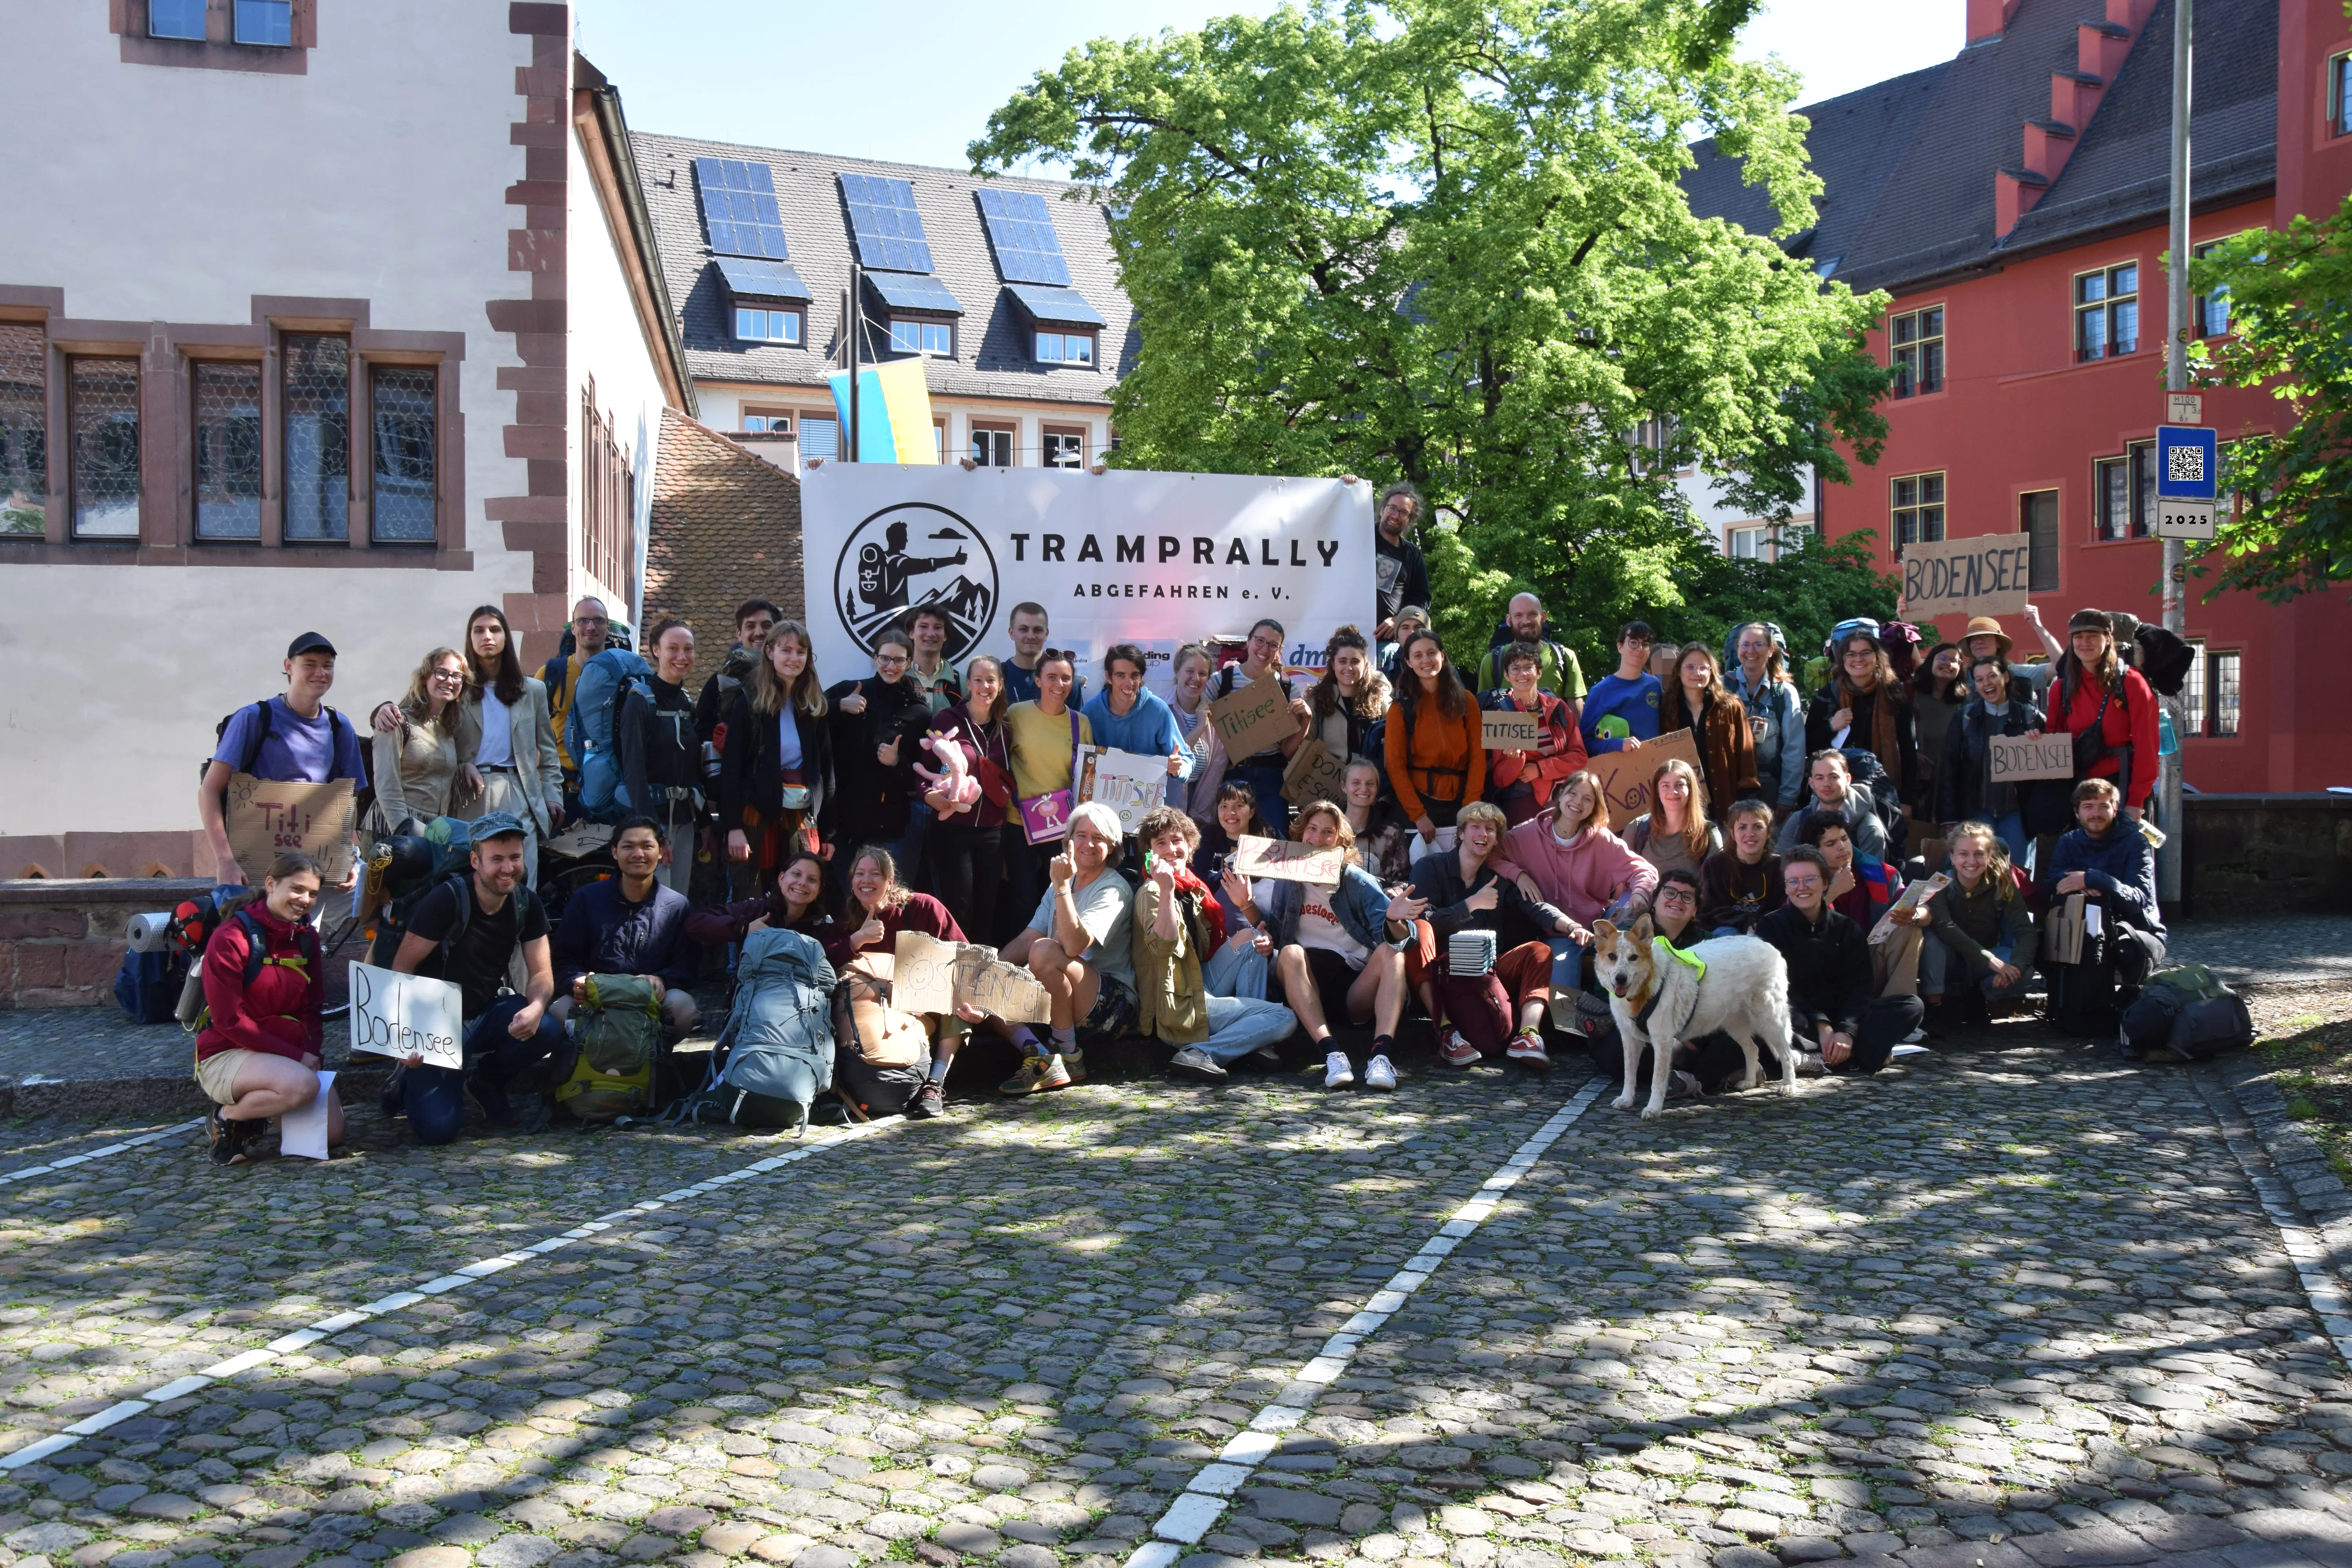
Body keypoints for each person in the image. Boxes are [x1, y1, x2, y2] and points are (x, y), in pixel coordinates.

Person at [387, 814, 564, 1143]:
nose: (508, 869)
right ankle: (407, 1081)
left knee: (548, 1028)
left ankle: (486, 1083)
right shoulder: (446, 900)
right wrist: (403, 1037)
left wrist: (538, 1006)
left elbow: (541, 973)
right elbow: (402, 968)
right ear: (475, 860)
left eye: (514, 858)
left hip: (483, 1012)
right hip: (436, 1024)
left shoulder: (527, 902)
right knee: (437, 1132)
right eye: (496, 859)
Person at [1255, 801, 1418, 1091]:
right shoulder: (1288, 879)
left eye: (1328, 832)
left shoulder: (1358, 882)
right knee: (1290, 952)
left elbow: (1402, 939)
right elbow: (1279, 938)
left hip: (1355, 991)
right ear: (1301, 834)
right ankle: (1332, 1054)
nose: (1318, 838)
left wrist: (1394, 919)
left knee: (1392, 954)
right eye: (1312, 829)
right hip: (1307, 986)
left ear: (1341, 841)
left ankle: (1381, 1056)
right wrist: (1247, 908)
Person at [196, 852, 343, 1165]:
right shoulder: (230, 938)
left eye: (313, 894)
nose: (304, 900)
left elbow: (313, 1008)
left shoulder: (307, 939)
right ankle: (227, 1117)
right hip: (228, 1053)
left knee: (331, 1135)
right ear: (270, 885)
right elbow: (230, 1020)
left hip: (285, 1057)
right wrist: (297, 1059)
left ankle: (259, 1112)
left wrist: (312, 1055)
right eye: (297, 889)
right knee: (302, 1088)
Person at [1408, 800, 1577, 1071]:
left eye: (1490, 829)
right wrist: (1471, 904)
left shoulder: (1496, 879)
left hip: (1484, 973)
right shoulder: (1430, 867)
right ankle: (1446, 1033)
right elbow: (1421, 919)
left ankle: (1528, 1036)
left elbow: (1534, 908)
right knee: (1419, 929)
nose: (1483, 834)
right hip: (1438, 974)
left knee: (1539, 950)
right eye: (1475, 827)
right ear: (1461, 834)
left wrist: (1571, 926)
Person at [1134, 806, 1298, 1083]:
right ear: (1150, 852)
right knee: (1284, 1018)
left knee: (1253, 939)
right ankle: (1201, 1052)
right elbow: (1165, 947)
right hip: (1176, 1003)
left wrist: (1256, 926)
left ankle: (1250, 1041)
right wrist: (1166, 891)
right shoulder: (1153, 890)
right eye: (1160, 843)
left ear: (1190, 846)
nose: (1170, 849)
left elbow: (1210, 950)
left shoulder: (1195, 888)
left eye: (1176, 841)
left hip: (1198, 983)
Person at [200, 632, 370, 887]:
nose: (320, 673)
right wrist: (224, 860)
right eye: (310, 664)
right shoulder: (253, 719)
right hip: (257, 871)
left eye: (327, 666)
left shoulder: (339, 727)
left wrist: (347, 856)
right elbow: (209, 791)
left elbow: (346, 801)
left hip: (312, 873)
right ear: (288, 667)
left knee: (306, 930)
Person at [993, 802, 1136, 1095]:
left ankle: (1068, 1055)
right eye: (1081, 835)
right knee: (991, 989)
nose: (1089, 843)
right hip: (1063, 998)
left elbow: (1073, 946)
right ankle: (1040, 1056)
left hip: (1111, 1004)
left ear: (1112, 846)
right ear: (1068, 841)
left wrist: (1060, 886)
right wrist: (988, 971)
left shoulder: (1114, 888)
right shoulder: (1062, 882)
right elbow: (1027, 938)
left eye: (1099, 837)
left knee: (1045, 952)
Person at [1751, 846, 1923, 1079]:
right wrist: (1823, 1026)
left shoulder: (1847, 929)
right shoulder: (1771, 927)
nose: (1801, 887)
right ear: (1786, 887)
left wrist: (1846, 1032)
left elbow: (1859, 988)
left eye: (1810, 879)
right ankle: (1848, 1056)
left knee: (1911, 1006)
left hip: (1841, 1018)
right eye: (1793, 881)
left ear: (1825, 883)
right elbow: (1778, 989)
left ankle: (1834, 1055)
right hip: (1800, 1019)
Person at [827, 845, 967, 1119]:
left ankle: (934, 1084)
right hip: (866, 1017)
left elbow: (964, 958)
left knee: (957, 994)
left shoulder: (923, 907)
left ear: (890, 881)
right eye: (860, 874)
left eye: (875, 874)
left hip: (919, 1011)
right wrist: (857, 940)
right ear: (852, 881)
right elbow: (823, 964)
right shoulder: (845, 920)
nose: (866, 881)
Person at [549, 816, 698, 1040]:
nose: (638, 854)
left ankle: (657, 1060)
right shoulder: (586, 899)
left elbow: (688, 966)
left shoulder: (677, 906)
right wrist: (576, 980)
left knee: (684, 1009)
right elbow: (563, 959)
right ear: (615, 852)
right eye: (628, 846)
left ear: (660, 852)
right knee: (557, 1014)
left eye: (647, 846)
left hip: (651, 997)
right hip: (596, 995)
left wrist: (663, 980)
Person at [452, 605, 564, 887]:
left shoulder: (532, 691)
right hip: (467, 792)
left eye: (495, 629)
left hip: (517, 788)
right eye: (479, 630)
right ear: (470, 638)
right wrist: (384, 708)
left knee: (519, 879)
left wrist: (553, 796)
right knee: (470, 878)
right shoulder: (457, 689)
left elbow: (549, 752)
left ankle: (523, 931)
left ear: (506, 637)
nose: (487, 636)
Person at [720, 620, 837, 887]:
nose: (794, 658)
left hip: (801, 814)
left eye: (801, 652)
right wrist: (733, 827)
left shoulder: (814, 704)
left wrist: (830, 833)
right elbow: (732, 769)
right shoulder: (749, 702)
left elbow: (826, 772)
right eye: (786, 650)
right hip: (755, 814)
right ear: (770, 652)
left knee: (801, 890)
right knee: (751, 893)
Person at [2042, 777, 2167, 1008]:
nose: (2096, 813)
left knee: (2128, 951)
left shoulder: (2136, 843)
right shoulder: (2068, 841)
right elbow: (2051, 885)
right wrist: (2080, 883)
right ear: (2078, 812)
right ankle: (2069, 1006)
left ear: (2115, 809)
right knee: (2041, 942)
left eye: (2104, 806)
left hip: (2135, 929)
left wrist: (2094, 879)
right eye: (2088, 807)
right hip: (2081, 926)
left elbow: (2139, 899)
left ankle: (2131, 1005)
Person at [829, 627, 934, 883]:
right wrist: (838, 706)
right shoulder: (848, 691)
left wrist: (897, 763)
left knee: (888, 901)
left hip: (890, 827)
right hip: (844, 823)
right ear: (875, 659)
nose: (891, 666)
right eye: (885, 658)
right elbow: (807, 714)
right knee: (846, 902)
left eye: (899, 660)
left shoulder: (918, 711)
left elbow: (919, 778)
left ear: (909, 663)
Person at [924, 655, 1016, 945]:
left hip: (993, 830)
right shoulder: (947, 720)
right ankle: (953, 972)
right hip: (954, 828)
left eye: (991, 680)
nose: (985, 686)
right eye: (978, 680)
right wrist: (929, 795)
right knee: (959, 905)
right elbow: (925, 768)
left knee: (987, 906)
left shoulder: (1008, 727)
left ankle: (980, 975)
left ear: (1001, 685)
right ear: (968, 683)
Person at [1503, 772, 1659, 936]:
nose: (1578, 802)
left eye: (1587, 799)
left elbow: (1644, 870)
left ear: (1594, 807)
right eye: (1573, 793)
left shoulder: (1602, 839)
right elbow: (1489, 854)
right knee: (1565, 963)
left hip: (1598, 926)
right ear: (1561, 794)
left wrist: (1640, 893)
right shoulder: (1527, 834)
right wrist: (1518, 875)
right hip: (1554, 932)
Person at [1003, 648, 1094, 920]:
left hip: (1061, 828)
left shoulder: (1081, 723)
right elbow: (1000, 762)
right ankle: (1019, 961)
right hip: (1019, 823)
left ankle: (1049, 959)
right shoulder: (1016, 715)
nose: (1059, 685)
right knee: (1022, 899)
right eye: (1052, 677)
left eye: (1066, 679)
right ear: (1038, 680)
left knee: (1056, 898)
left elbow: (1086, 778)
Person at [2043, 609, 2160, 818]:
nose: (2085, 643)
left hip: (2124, 787)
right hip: (2080, 791)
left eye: (2093, 636)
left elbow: (2147, 746)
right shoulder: (2060, 689)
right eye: (2079, 637)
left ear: (2108, 640)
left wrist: (2136, 801)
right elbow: (2054, 747)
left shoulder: (2132, 683)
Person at [1799, 810, 1929, 999]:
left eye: (1844, 839)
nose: (1842, 847)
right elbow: (1792, 925)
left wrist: (1915, 915)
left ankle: (1898, 1009)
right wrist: (1833, 891)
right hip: (1830, 970)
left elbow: (1923, 910)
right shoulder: (1803, 878)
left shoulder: (1878, 871)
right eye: (1831, 844)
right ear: (1815, 852)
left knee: (1910, 929)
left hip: (1871, 958)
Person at [1922, 819, 2037, 1025]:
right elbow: (1945, 927)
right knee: (1931, 940)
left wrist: (2016, 966)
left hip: (1987, 956)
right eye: (1964, 854)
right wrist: (1989, 960)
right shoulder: (1938, 882)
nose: (1971, 861)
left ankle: (1980, 994)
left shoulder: (2002, 883)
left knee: (2025, 971)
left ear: (1989, 856)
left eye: (1979, 854)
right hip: (1950, 961)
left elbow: (2025, 930)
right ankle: (1935, 1008)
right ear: (1953, 857)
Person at [618, 619, 703, 895]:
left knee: (678, 902)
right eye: (673, 649)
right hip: (653, 822)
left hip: (685, 821)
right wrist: (653, 833)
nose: (682, 657)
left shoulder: (687, 703)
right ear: (656, 650)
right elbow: (633, 771)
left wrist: (704, 825)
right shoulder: (640, 702)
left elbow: (693, 770)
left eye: (688, 649)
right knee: (655, 903)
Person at [1387, 628, 1484, 857]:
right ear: (1409, 662)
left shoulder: (1467, 701)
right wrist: (1418, 816)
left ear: (1443, 655)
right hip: (1419, 805)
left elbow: (1479, 758)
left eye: (1431, 653)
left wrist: (1470, 807)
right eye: (1418, 656)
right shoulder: (1401, 708)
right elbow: (1395, 766)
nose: (1426, 660)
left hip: (1461, 803)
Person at [1935, 659, 2045, 857]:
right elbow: (1949, 769)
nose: (1987, 684)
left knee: (2017, 877)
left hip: (2018, 815)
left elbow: (2048, 771)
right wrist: (1948, 817)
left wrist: (2038, 747)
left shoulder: (2031, 717)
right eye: (1979, 679)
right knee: (1978, 871)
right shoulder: (1965, 718)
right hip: (1977, 811)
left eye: (1992, 676)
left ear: (2006, 677)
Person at [1208, 619, 1308, 835]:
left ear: (1279, 650)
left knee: (1274, 842)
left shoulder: (1286, 686)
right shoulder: (1221, 681)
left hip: (1271, 776)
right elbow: (1205, 732)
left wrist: (1306, 720)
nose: (1265, 649)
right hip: (1231, 773)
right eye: (1260, 641)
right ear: (1248, 642)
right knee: (1231, 840)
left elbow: (1288, 751)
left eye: (1273, 645)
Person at [1804, 627, 1918, 806]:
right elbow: (1808, 745)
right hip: (1836, 794)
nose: (1858, 659)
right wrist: (1831, 727)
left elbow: (1908, 750)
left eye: (1865, 653)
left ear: (1877, 657)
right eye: (1851, 654)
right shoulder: (1828, 696)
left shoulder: (1895, 695)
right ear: (1843, 659)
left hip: (1884, 793)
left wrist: (1907, 801)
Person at [1483, 642, 1586, 826]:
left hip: (1563, 800)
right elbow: (1499, 779)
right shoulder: (1502, 715)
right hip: (1523, 803)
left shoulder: (1558, 708)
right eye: (1515, 669)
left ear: (1539, 672)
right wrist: (1515, 760)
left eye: (1528, 667)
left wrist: (1540, 769)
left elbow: (1580, 757)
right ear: (1507, 675)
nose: (1522, 674)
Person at [369, 647, 465, 837]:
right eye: (442, 673)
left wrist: (464, 767)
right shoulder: (396, 720)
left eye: (457, 676)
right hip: (393, 828)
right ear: (424, 678)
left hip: (433, 832)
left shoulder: (448, 729)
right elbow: (386, 783)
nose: (449, 681)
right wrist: (404, 831)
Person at [1657, 643, 1758, 820]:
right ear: (1678, 671)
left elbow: (1746, 754)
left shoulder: (1731, 707)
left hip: (1725, 804)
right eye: (1690, 667)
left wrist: (1746, 799)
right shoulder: (1666, 709)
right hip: (1681, 806)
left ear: (1711, 673)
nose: (1697, 673)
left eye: (1703, 667)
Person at [686, 848, 838, 955]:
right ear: (781, 878)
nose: (802, 883)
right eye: (796, 874)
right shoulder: (756, 910)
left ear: (819, 890)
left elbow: (834, 960)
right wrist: (743, 930)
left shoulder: (823, 925)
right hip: (754, 992)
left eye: (812, 879)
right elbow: (695, 923)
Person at [1082, 643, 1192, 789]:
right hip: (1103, 803)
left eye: (1135, 676)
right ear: (1109, 677)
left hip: (1147, 803)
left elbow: (1187, 760)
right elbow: (1081, 762)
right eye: (1121, 675)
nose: (1129, 683)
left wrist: (1179, 769)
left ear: (1141, 678)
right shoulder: (1090, 712)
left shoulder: (1158, 710)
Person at [1722, 622, 1805, 813]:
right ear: (1737, 649)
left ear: (1771, 650)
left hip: (1770, 787)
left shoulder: (1784, 693)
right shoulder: (1722, 687)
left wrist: (1787, 797)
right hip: (1729, 783)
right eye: (1745, 645)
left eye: (1759, 645)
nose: (1751, 651)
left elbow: (1795, 748)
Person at [541, 596, 611, 812]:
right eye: (582, 621)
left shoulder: (621, 676)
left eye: (598, 621)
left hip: (608, 789)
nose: (590, 627)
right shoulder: (550, 675)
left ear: (608, 628)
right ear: (573, 628)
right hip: (560, 792)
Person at [1476, 593, 1588, 710]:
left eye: (1533, 614)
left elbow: (1575, 716)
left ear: (1543, 617)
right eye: (1519, 615)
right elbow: (1483, 711)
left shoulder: (1565, 658)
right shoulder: (1492, 662)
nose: (1526, 621)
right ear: (1509, 620)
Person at [695, 598, 781, 747]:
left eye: (767, 626)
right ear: (739, 634)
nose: (759, 633)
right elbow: (701, 732)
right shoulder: (720, 680)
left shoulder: (792, 678)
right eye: (750, 626)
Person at [1775, 750, 1890, 860]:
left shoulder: (1869, 828)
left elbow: (1873, 876)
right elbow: (1782, 863)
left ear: (1847, 779)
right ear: (1812, 783)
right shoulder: (1799, 820)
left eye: (1834, 777)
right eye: (1820, 778)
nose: (1827, 784)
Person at [1305, 626, 1393, 769]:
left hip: (1370, 783)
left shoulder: (1379, 698)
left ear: (1365, 664)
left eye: (1355, 662)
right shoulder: (1316, 700)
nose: (1349, 668)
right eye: (1343, 661)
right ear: (1333, 664)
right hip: (1328, 783)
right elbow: (1305, 750)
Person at [1625, 759, 1722, 883]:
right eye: (1666, 786)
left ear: (1690, 789)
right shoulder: (1637, 829)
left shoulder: (1709, 834)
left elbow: (1717, 887)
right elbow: (1622, 885)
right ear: (1658, 791)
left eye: (1680, 785)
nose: (1673, 792)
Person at [1193, 780, 1270, 935]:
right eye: (1224, 806)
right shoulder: (1208, 839)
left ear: (1252, 812)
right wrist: (1231, 871)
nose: (1231, 813)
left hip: (1263, 917)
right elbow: (1199, 880)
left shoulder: (1270, 837)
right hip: (1221, 919)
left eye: (1239, 806)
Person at [1699, 799, 1783, 935]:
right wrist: (1745, 922)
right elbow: (1710, 910)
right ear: (1732, 833)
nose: (1750, 834)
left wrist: (1761, 925)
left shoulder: (1779, 867)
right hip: (1725, 930)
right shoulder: (1714, 865)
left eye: (1758, 827)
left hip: (1766, 928)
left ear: (1769, 832)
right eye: (1742, 827)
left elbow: (1782, 909)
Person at [1580, 622, 1662, 756]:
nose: (1640, 648)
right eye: (1634, 643)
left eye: (1646, 644)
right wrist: (1618, 744)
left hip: (1654, 769)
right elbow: (1585, 743)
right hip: (1619, 771)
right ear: (1620, 647)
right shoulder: (1601, 691)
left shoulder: (1654, 685)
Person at [1910, 642, 1969, 820]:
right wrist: (1912, 754)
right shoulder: (1911, 694)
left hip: (1949, 784)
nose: (1947, 664)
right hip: (1915, 781)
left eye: (1954, 661)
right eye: (1942, 658)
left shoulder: (1964, 703)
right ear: (1930, 661)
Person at [1960, 609, 2066, 703]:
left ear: (1999, 643)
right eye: (1974, 639)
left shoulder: (2017, 673)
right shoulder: (1961, 677)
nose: (1979, 642)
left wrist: (2037, 626)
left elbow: (2059, 665)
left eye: (1986, 637)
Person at [1372, 481, 1431, 641]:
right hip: (1351, 640)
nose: (1396, 516)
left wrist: (1399, 619)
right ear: (1383, 509)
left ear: (1410, 520)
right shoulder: (1361, 536)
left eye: (1404, 513)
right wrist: (1347, 487)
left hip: (1388, 644)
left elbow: (1422, 598)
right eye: (1392, 508)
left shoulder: (1413, 554)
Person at [1343, 758, 1416, 884]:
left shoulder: (1393, 833)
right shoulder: (1329, 830)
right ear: (1343, 787)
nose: (1364, 789)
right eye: (1356, 783)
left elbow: (1405, 881)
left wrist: (1396, 890)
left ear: (1377, 788)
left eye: (1370, 784)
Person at [999, 602, 1085, 707]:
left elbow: (1076, 722)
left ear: (1046, 634)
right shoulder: (995, 679)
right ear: (1012, 633)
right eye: (1024, 629)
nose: (1031, 636)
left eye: (1038, 630)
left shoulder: (1065, 683)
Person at [1165, 644, 1218, 811]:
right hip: (1164, 806)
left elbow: (1214, 776)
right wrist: (1200, 727)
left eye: (1203, 674)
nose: (1196, 678)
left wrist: (1200, 816)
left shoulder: (1215, 717)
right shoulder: (1159, 709)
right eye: (1190, 671)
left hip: (1197, 810)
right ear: (1177, 671)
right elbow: (1169, 761)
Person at [902, 604, 966, 715]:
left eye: (938, 628)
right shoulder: (897, 677)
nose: (931, 634)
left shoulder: (963, 684)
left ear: (945, 635)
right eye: (923, 627)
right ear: (912, 633)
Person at [1380, 605, 1429, 684]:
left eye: (1418, 628)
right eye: (1405, 628)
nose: (1411, 633)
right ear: (1397, 637)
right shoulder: (1383, 677)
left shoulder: (1447, 673)